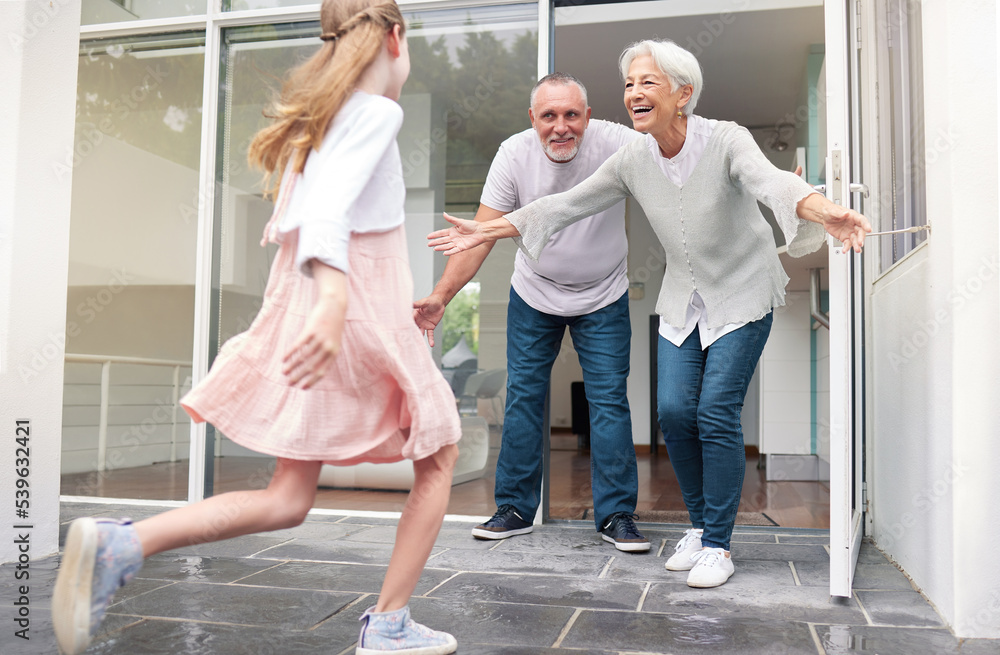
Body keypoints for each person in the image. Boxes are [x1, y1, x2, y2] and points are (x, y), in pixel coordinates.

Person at [52, 3, 462, 654]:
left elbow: (314, 219)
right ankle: (388, 627)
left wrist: (338, 303)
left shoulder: (320, 119)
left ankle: (122, 543)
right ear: (394, 37)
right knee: (440, 456)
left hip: (318, 312)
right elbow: (327, 215)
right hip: (345, 315)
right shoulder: (377, 112)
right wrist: (338, 302)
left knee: (289, 498)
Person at [427, 39, 871, 589]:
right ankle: (697, 528)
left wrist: (824, 209)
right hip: (679, 296)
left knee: (713, 411)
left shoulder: (722, 139)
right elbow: (563, 205)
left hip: (740, 291)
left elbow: (772, 181)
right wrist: (486, 230)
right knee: (675, 413)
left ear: (683, 94)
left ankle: (715, 543)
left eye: (647, 82)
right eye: (630, 84)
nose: (634, 93)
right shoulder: (631, 157)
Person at [413, 73, 651, 552]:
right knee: (523, 397)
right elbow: (478, 237)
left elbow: (677, 155)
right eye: (549, 115)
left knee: (608, 401)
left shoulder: (617, 143)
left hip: (604, 293)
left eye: (571, 115)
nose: (561, 127)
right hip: (534, 292)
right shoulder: (513, 154)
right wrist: (441, 296)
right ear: (532, 119)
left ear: (588, 116)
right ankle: (516, 509)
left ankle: (616, 515)